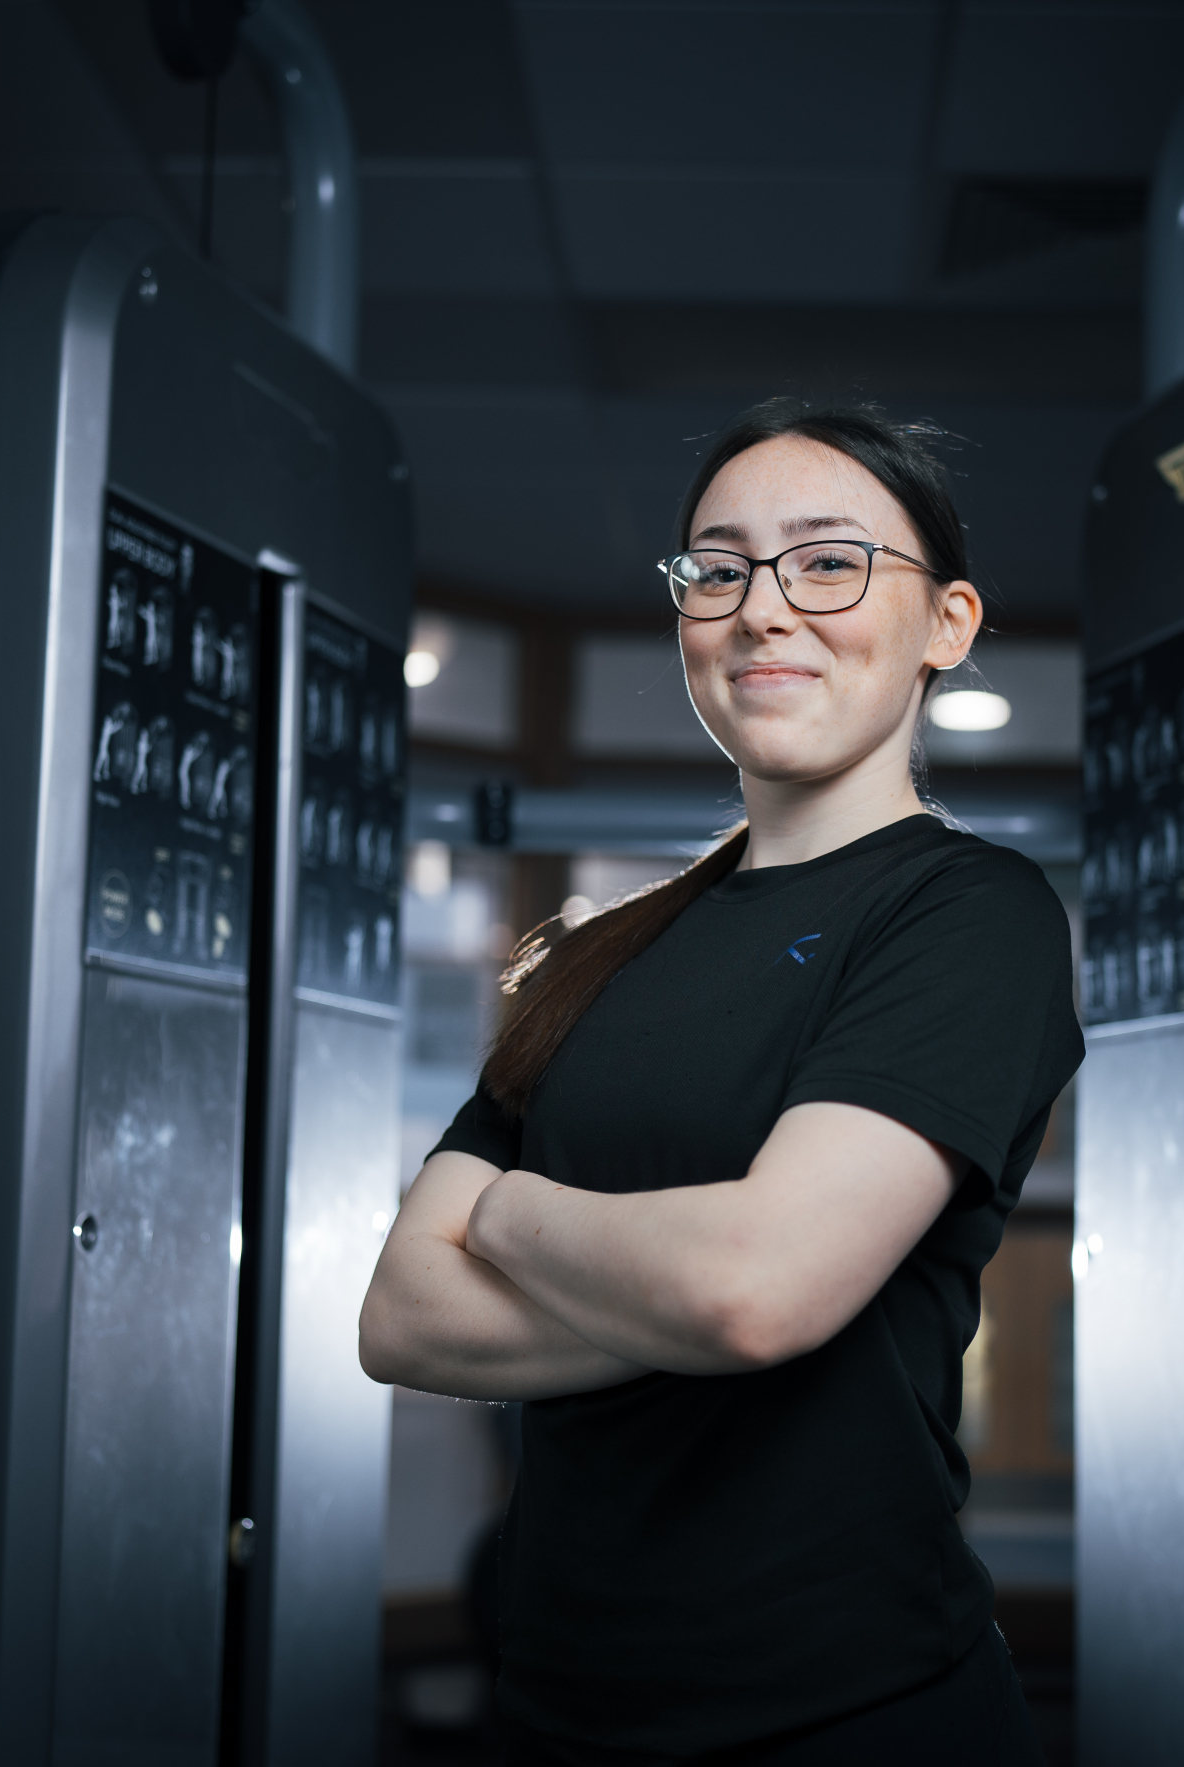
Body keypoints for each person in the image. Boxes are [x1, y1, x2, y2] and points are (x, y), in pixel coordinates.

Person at [359, 398, 1083, 1764]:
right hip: (559, 1707)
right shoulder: (597, 950)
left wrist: (507, 1218)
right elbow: (400, 1315)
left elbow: (751, 1292)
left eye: (827, 561)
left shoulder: (967, 914)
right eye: (718, 566)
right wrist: (710, 1289)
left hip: (850, 1715)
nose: (763, 608)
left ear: (947, 624)